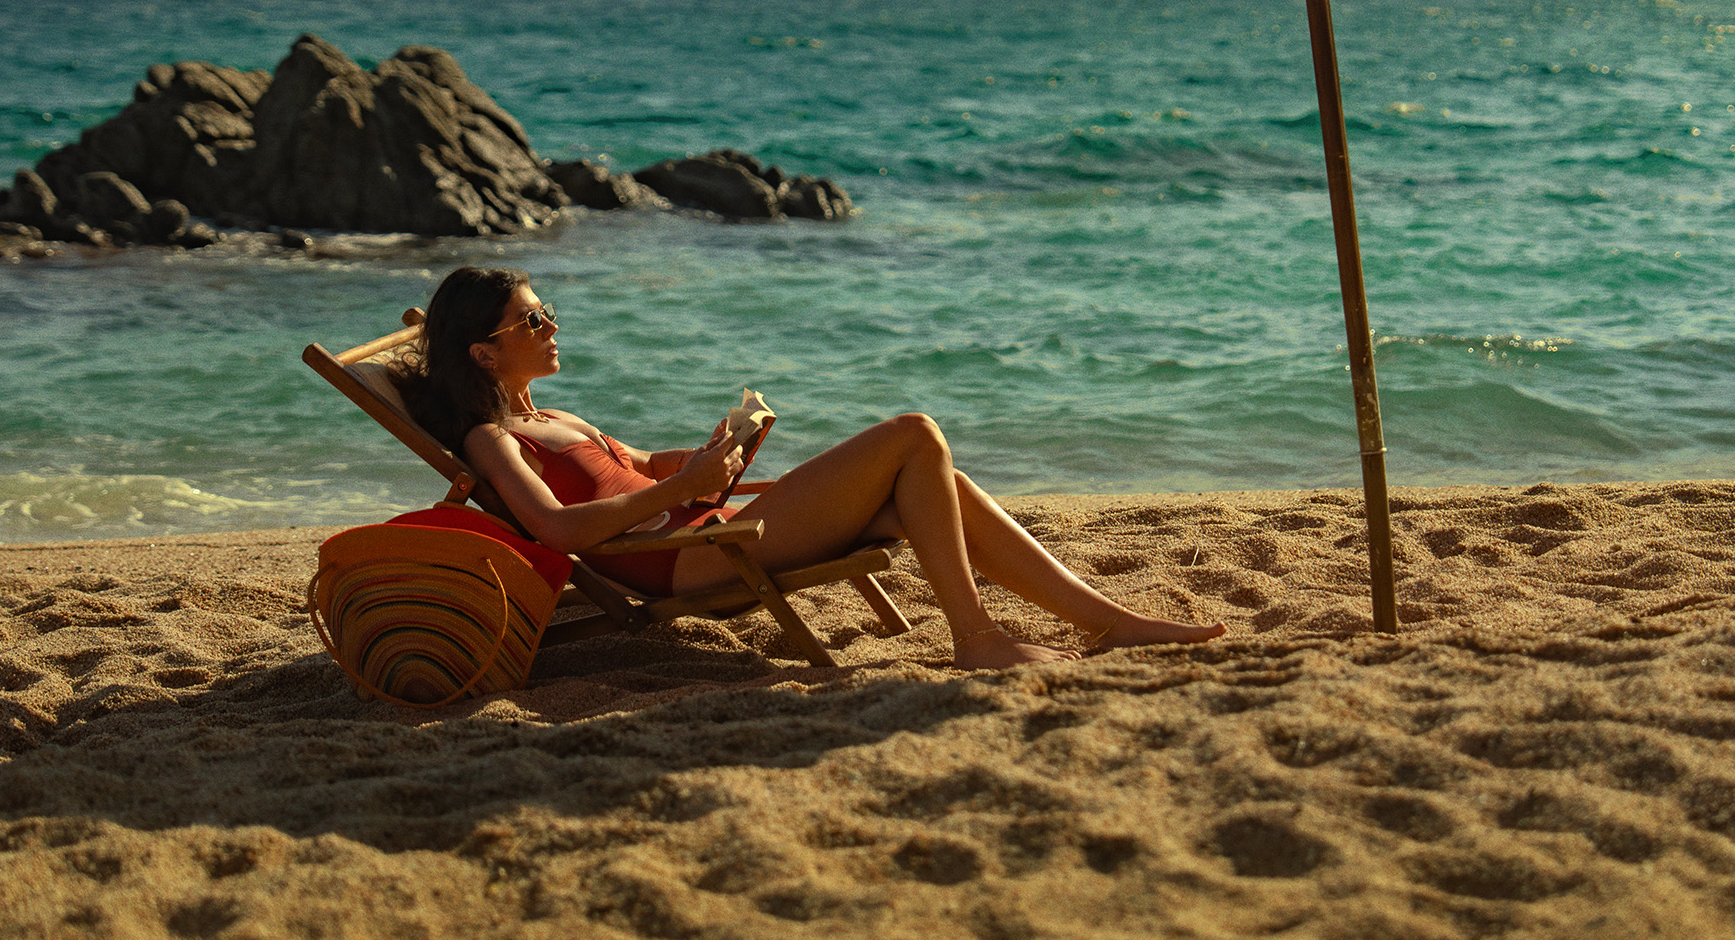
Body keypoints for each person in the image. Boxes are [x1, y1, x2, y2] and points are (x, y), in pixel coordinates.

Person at [401, 265, 1224, 670]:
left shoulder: (549, 415)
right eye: (531, 320)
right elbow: (554, 528)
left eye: (545, 310)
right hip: (692, 558)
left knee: (939, 484)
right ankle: (976, 637)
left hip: (707, 526)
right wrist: (685, 489)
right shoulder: (492, 439)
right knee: (914, 434)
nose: (552, 324)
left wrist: (707, 453)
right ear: (484, 352)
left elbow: (636, 466)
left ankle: (1105, 619)